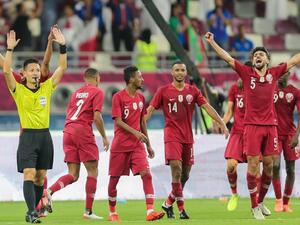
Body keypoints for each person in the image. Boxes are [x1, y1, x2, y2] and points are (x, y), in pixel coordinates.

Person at [205, 31, 300, 219]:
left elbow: (293, 61)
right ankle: (254, 205)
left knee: (270, 165)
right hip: (252, 126)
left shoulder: (274, 73)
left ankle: (261, 201)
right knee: (253, 165)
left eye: (261, 54)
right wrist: (212, 42)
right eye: (255, 55)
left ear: (267, 60)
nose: (257, 56)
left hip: (271, 127)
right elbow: (228, 59)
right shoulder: (247, 73)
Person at [146, 61, 229, 219]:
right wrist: (140, 126)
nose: (179, 72)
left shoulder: (193, 91)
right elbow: (150, 110)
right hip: (171, 135)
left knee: (185, 175)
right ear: (172, 72)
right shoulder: (163, 91)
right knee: (176, 169)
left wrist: (221, 122)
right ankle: (182, 209)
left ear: (185, 73)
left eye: (182, 70)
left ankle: (168, 203)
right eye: (176, 70)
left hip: (187, 137)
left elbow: (207, 107)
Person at [3, 28, 67, 223]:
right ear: (23, 73)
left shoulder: (47, 88)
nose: (36, 72)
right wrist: (10, 49)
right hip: (28, 136)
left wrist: (62, 46)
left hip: (45, 136)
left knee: (40, 177)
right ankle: (31, 212)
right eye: (31, 70)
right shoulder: (18, 90)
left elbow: (62, 68)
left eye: (37, 70)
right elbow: (6, 70)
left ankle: (34, 210)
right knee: (29, 174)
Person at [45, 68, 109, 219]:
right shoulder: (97, 92)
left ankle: (49, 191)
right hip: (82, 132)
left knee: (73, 175)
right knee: (92, 171)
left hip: (68, 132)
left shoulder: (75, 93)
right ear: (97, 78)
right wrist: (104, 137)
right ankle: (88, 211)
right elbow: (97, 117)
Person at [107, 66, 165, 222]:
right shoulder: (118, 97)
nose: (143, 79)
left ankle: (150, 211)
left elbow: (142, 122)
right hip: (120, 146)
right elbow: (118, 121)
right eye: (140, 76)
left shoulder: (141, 98)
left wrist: (148, 144)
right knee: (114, 180)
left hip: (137, 146)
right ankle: (112, 212)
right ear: (131, 79)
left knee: (147, 174)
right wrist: (136, 133)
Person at [272, 71, 300, 212]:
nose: (281, 75)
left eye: (284, 73)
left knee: (291, 169)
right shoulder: (270, 89)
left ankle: (286, 203)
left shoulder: (295, 92)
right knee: (275, 166)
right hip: (274, 133)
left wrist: (296, 135)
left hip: (290, 134)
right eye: (280, 73)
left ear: (288, 75)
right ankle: (278, 200)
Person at [223, 78, 245, 211]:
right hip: (237, 132)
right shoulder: (234, 88)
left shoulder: (258, 89)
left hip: (252, 132)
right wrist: (223, 123)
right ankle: (234, 194)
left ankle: (258, 201)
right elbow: (229, 111)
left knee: (256, 171)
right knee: (231, 165)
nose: (239, 78)